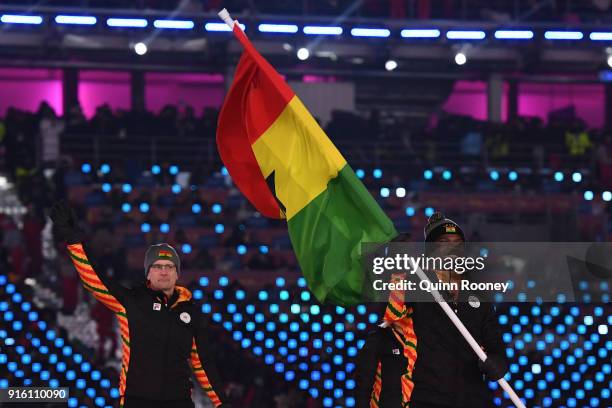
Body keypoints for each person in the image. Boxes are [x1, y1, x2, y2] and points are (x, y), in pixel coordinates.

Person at [49, 200, 230, 408]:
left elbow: (202, 365)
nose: (164, 271)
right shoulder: (131, 301)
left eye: (170, 266)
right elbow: (94, 281)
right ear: (148, 273)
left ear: (177, 273)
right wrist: (74, 242)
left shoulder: (190, 313)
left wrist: (221, 403)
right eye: (158, 266)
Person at [355, 212, 507, 408]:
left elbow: (496, 344)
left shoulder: (479, 296)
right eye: (444, 241)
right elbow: (391, 312)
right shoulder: (415, 286)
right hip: (425, 398)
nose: (453, 247)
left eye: (458, 242)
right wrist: (395, 262)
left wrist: (499, 362)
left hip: (473, 399)